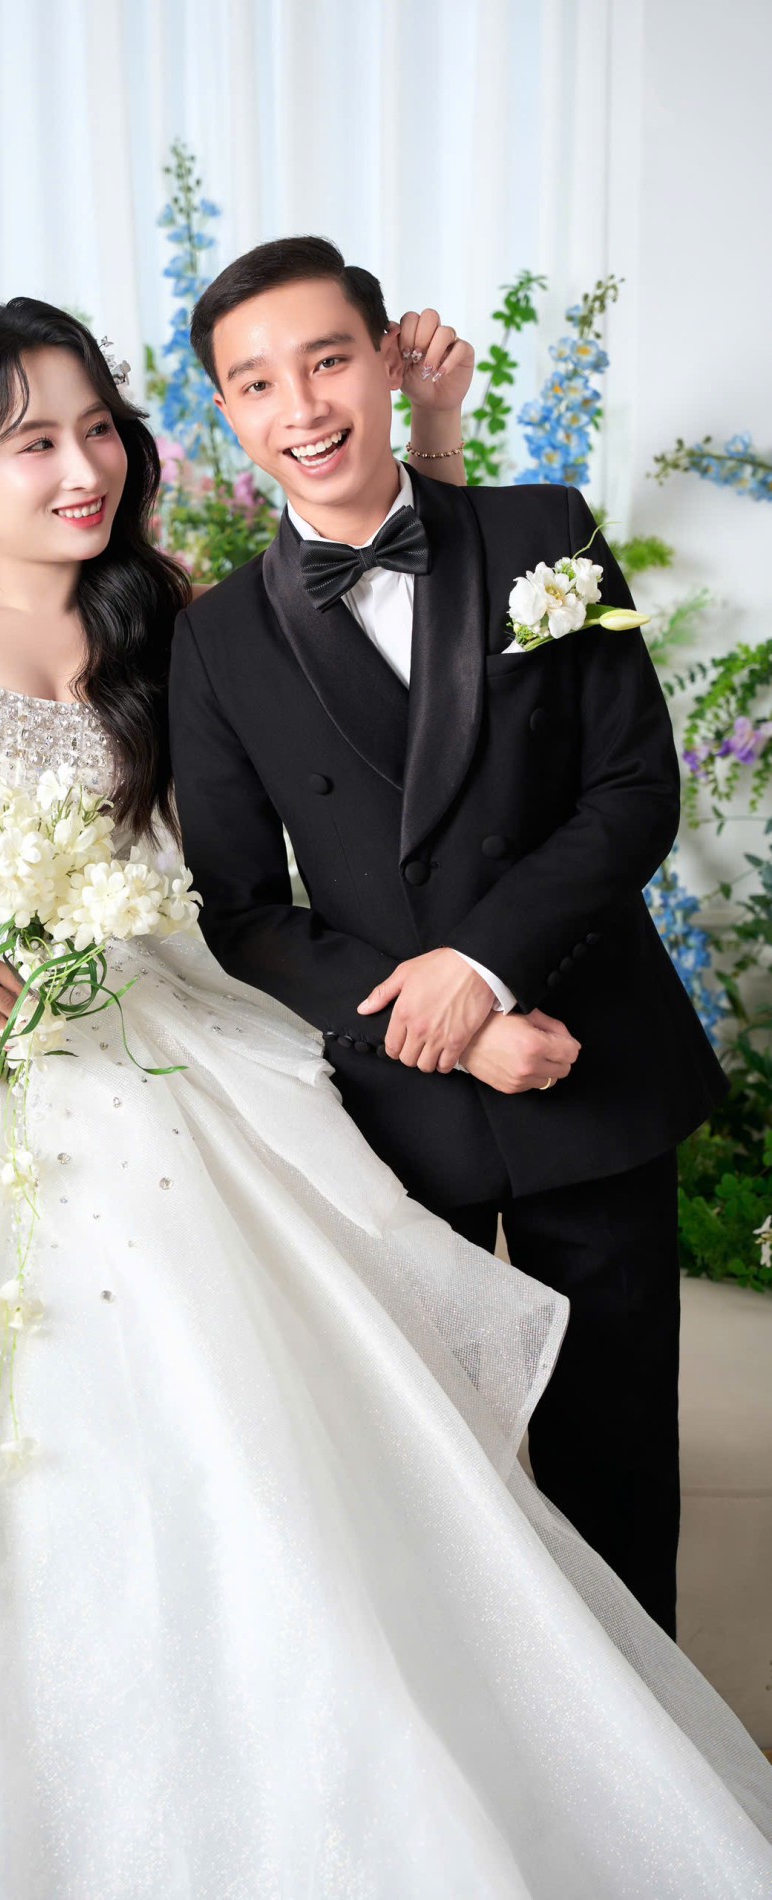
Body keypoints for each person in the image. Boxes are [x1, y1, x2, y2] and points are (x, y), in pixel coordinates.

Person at [0, 296, 768, 1897]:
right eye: (33, 442)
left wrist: (436, 448)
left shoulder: (171, 617)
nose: (81, 468)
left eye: (98, 428)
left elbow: (398, 701)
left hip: (134, 1020)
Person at [168, 236, 730, 1645]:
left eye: (327, 359)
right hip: (396, 1102)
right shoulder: (217, 640)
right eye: (256, 383)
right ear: (225, 415)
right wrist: (443, 1023)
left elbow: (631, 789)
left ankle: (645, 1758)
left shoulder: (541, 532)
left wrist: (482, 969)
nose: (301, 406)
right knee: (433, 1487)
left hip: (588, 1061)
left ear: (387, 359)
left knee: (616, 1459)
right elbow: (239, 908)